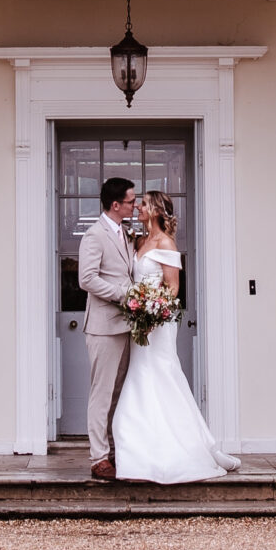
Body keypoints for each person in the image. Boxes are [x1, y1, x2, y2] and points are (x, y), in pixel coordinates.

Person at [109, 190, 241, 484]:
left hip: (159, 322)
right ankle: (139, 450)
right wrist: (138, 311)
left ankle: (182, 447)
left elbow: (172, 288)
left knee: (163, 375)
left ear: (155, 210)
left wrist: (153, 314)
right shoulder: (139, 241)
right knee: (140, 376)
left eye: (143, 204)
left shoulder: (166, 243)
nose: (139, 208)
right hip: (139, 322)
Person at [75, 176, 139, 481]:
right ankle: (98, 457)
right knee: (101, 394)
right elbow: (86, 279)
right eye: (131, 201)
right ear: (116, 205)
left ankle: (114, 451)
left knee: (117, 394)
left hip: (126, 326)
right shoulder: (94, 235)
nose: (135, 205)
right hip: (103, 327)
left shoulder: (126, 234)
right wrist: (123, 295)